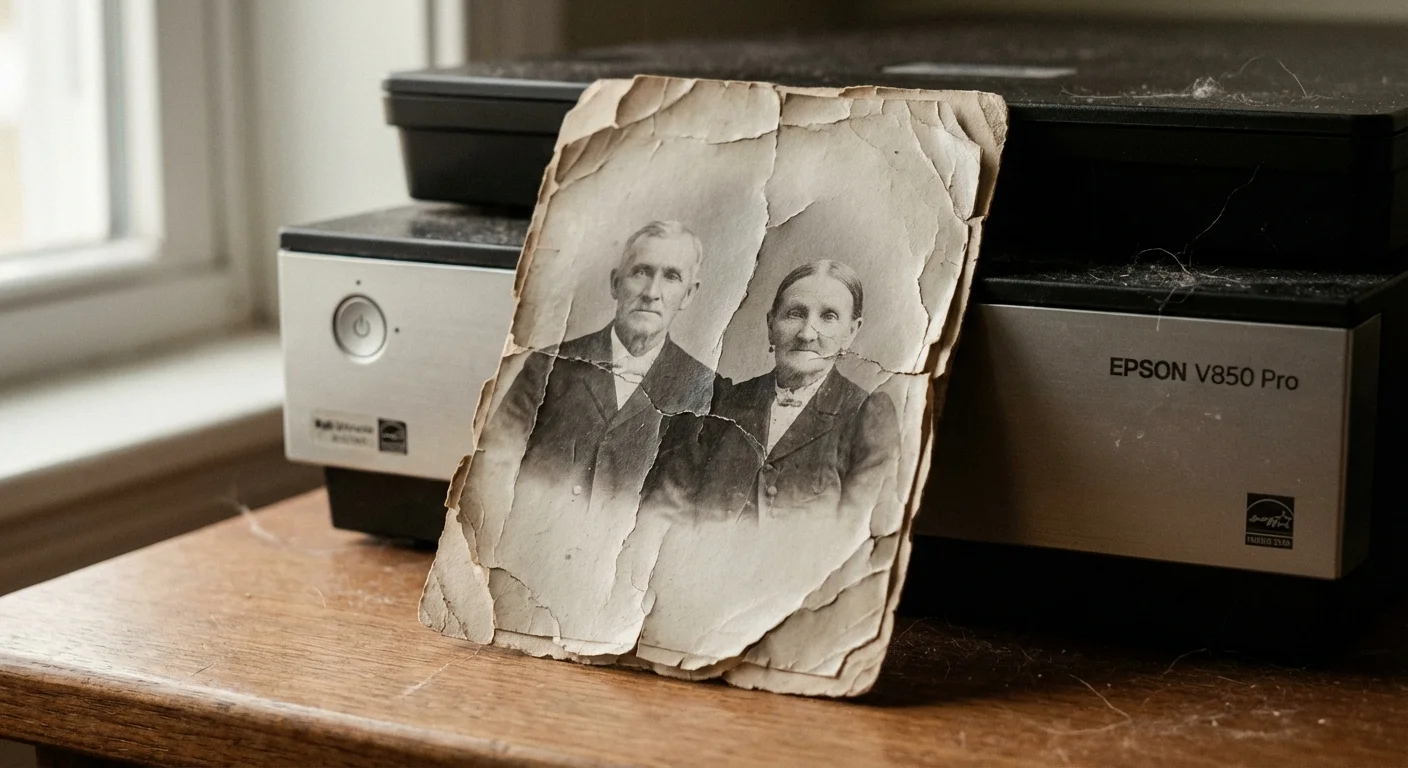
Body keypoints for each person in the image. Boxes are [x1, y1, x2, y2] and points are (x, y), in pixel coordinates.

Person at [646, 259, 900, 522]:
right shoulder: (721, 402)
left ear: (850, 332)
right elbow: (662, 511)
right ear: (771, 324)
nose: (806, 334)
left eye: (828, 317)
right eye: (795, 313)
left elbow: (856, 532)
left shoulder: (867, 417)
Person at [494, 219, 717, 514]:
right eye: (641, 272)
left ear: (688, 294)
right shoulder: (545, 367)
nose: (652, 292)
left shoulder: (704, 389)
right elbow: (496, 467)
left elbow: (682, 513)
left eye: (671, 277)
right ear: (616, 283)